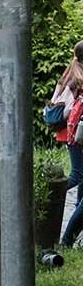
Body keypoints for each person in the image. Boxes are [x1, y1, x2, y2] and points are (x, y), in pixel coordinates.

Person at [57, 41, 83, 246]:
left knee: (80, 176)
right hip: (76, 134)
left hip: (73, 132)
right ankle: (51, 192)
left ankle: (72, 237)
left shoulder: (71, 72)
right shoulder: (78, 77)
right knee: (78, 174)